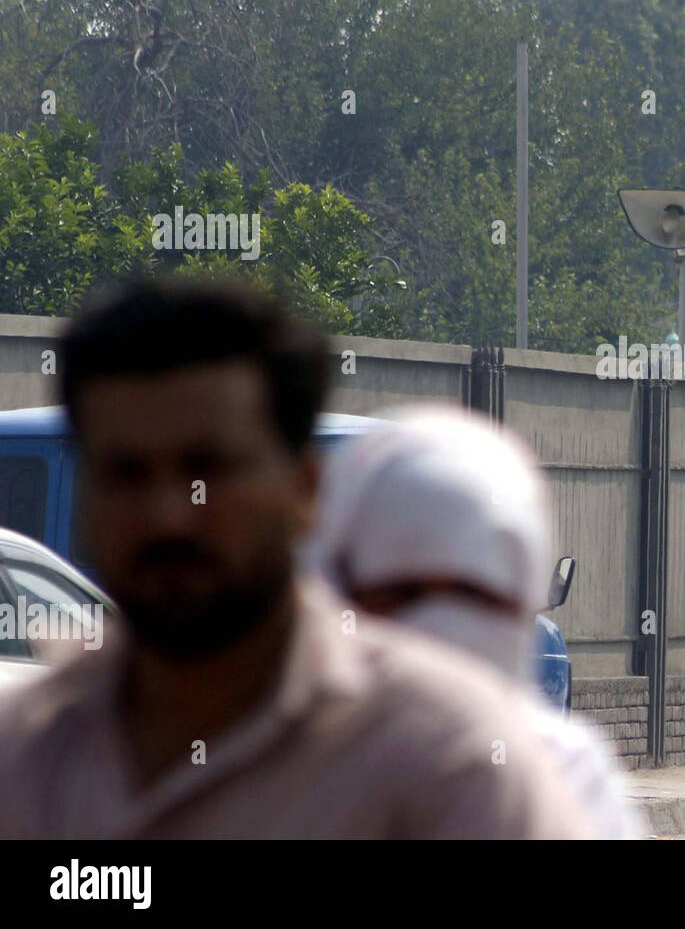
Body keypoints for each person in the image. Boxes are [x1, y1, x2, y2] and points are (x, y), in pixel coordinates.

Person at [0, 278, 593, 839]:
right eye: (125, 474)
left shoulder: (446, 761)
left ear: (306, 489)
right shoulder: (26, 754)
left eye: (210, 469)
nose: (168, 515)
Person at [308, 405, 646, 840]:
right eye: (405, 595)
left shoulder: (567, 771)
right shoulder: (278, 766)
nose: (443, 624)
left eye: (475, 596)